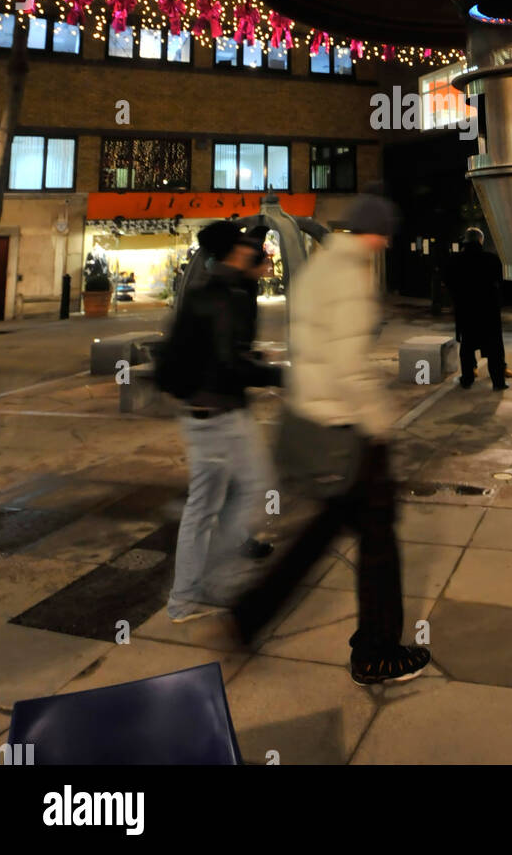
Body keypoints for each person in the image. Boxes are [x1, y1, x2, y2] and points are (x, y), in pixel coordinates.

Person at [232, 188, 431, 686]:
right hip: (348, 428)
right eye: (384, 234)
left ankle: (248, 615)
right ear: (375, 232)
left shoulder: (320, 267)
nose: (386, 244)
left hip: (316, 418)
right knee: (379, 538)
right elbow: (347, 363)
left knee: (327, 528)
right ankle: (377, 653)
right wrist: (379, 424)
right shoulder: (349, 276)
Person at [166, 220, 281, 623]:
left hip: (200, 414)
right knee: (249, 489)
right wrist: (279, 375)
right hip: (221, 414)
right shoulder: (227, 295)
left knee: (208, 504)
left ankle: (186, 597)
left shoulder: (208, 288)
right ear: (235, 250)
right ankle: (208, 584)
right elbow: (230, 362)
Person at [444, 227, 508, 390]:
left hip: (466, 310)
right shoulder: (491, 259)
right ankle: (498, 382)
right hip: (489, 311)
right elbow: (502, 282)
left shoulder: (455, 260)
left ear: (465, 240)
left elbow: (449, 283)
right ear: (481, 240)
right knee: (495, 348)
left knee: (467, 347)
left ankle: (467, 379)